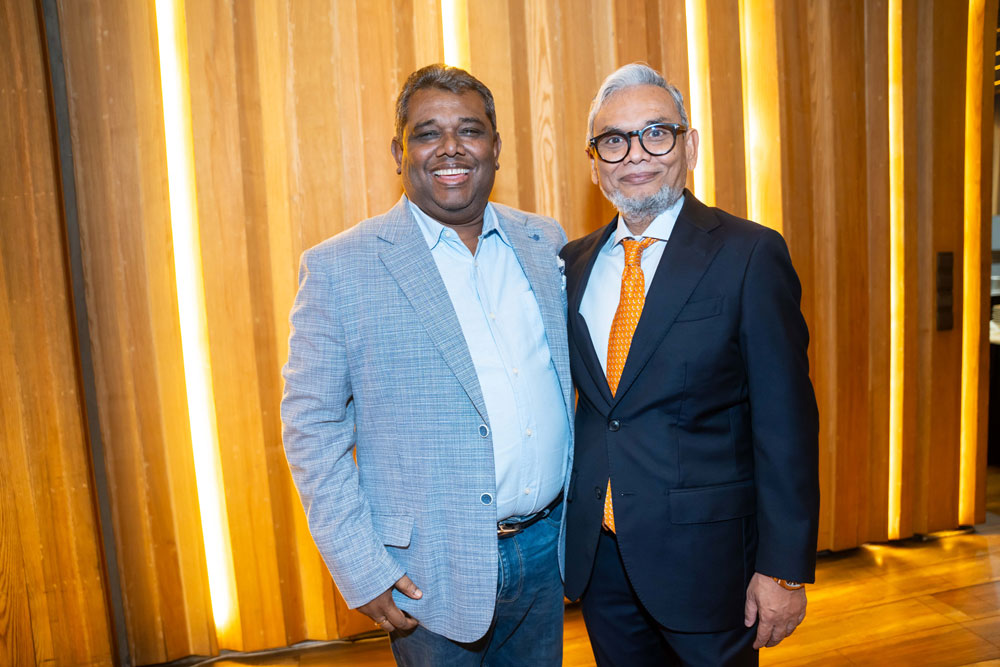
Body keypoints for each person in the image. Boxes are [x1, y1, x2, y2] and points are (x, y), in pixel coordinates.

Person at [280, 64, 573, 666]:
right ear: (399, 152)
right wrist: (362, 567)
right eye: (427, 133)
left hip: (549, 549)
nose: (450, 148)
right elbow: (312, 430)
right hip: (429, 573)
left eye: (470, 130)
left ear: (495, 147)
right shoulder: (340, 268)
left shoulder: (545, 242)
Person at [561, 63, 820, 666]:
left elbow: (785, 424)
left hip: (710, 564)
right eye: (614, 140)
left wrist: (783, 570)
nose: (635, 154)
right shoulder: (572, 265)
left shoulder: (750, 254)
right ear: (595, 163)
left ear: (690, 145)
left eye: (657, 133)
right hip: (602, 563)